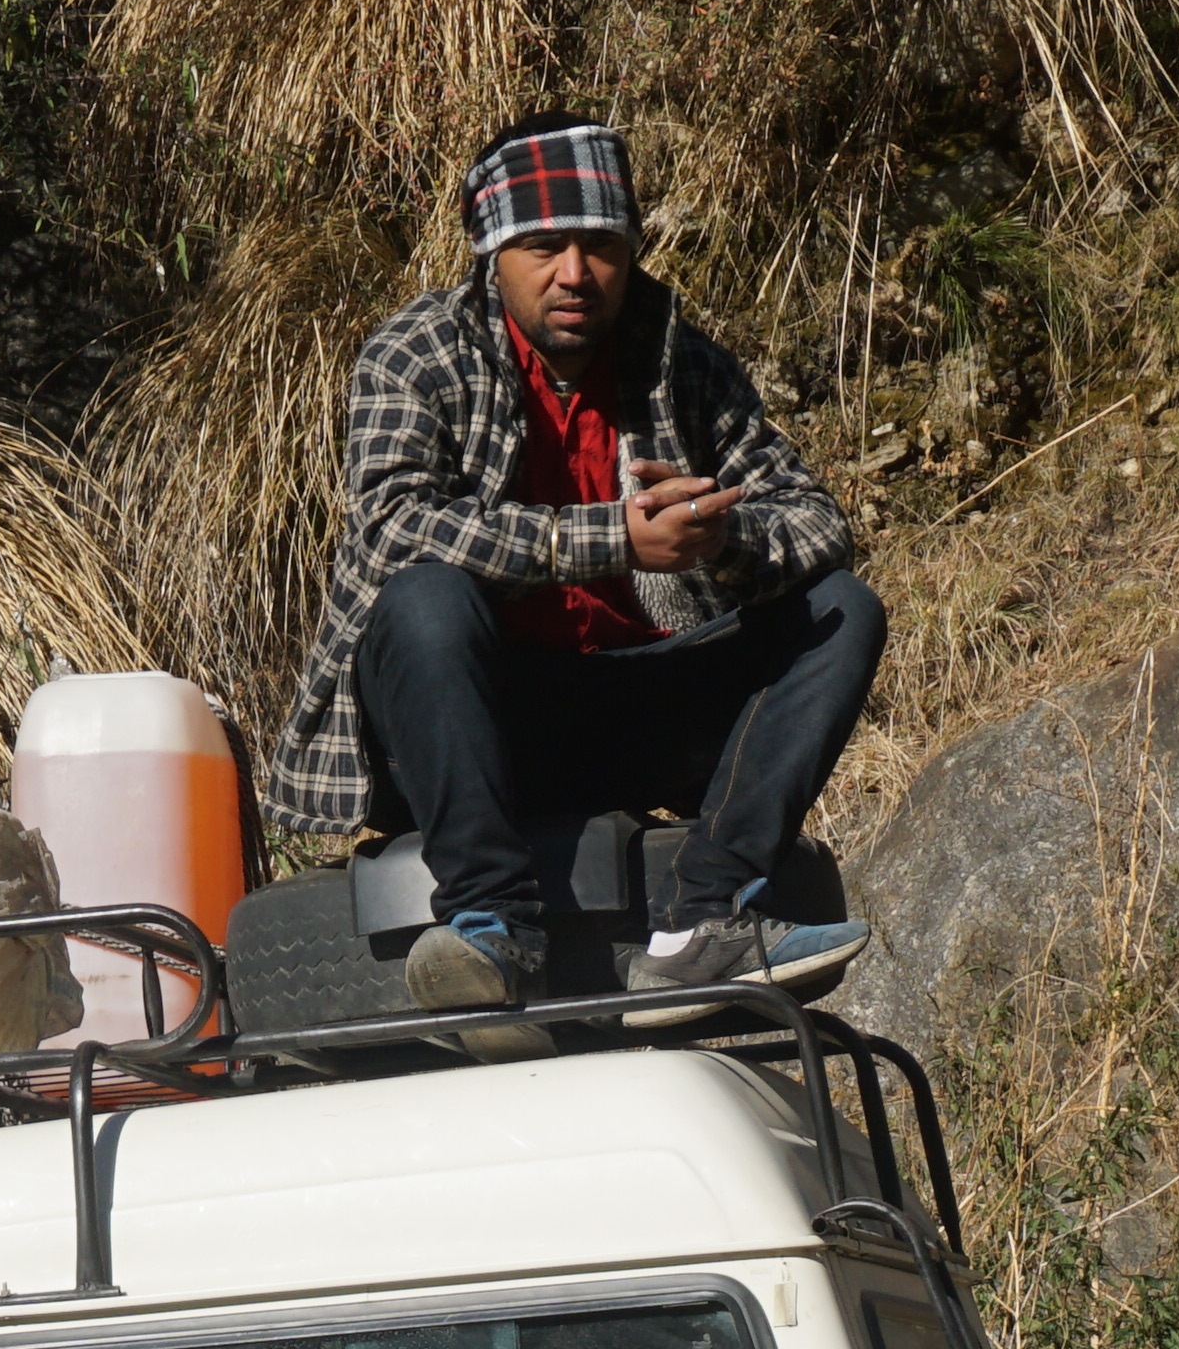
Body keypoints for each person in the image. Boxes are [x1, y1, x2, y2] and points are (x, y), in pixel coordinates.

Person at [263, 114, 882, 1026]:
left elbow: (814, 520)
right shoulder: (416, 352)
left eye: (599, 246)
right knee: (424, 599)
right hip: (472, 726)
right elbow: (395, 527)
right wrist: (614, 541)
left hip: (641, 712)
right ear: (491, 253)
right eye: (543, 247)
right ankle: (487, 929)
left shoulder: (683, 362)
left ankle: (707, 921)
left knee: (840, 610)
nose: (574, 275)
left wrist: (722, 541)